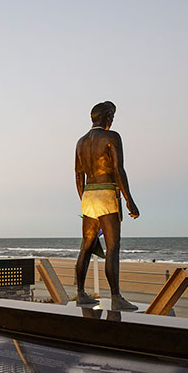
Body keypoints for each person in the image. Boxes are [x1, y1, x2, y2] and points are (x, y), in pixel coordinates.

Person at [74, 101, 140, 311]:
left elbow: (78, 174)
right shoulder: (112, 137)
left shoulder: (81, 142)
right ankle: (116, 296)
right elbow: (118, 169)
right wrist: (129, 199)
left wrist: (83, 199)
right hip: (106, 192)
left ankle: (81, 293)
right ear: (108, 116)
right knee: (112, 246)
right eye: (112, 116)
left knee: (86, 245)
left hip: (88, 195)